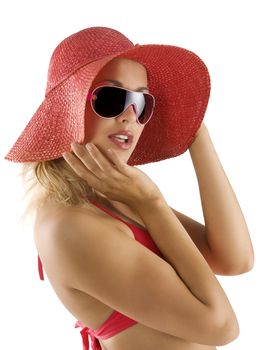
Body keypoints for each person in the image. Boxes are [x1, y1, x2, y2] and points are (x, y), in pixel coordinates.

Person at [5, 27, 254, 350]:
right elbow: (221, 327)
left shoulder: (112, 197)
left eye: (142, 103)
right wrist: (151, 203)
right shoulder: (68, 226)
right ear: (68, 110)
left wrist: (196, 132)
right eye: (111, 99)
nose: (130, 116)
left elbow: (234, 259)